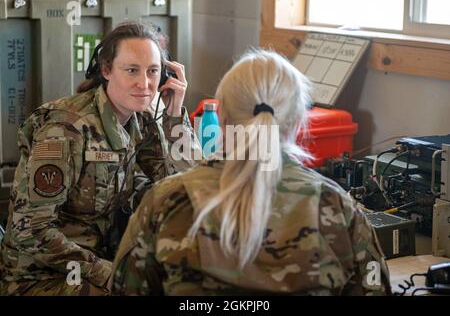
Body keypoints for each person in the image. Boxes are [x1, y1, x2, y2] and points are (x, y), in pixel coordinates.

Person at [111, 49, 391, 296]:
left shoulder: (166, 200)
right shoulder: (336, 206)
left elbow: (126, 288)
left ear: (221, 119)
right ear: (296, 122)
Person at [0, 21, 201, 296]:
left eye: (153, 71)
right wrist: (110, 273)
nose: (145, 84)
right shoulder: (65, 130)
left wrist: (175, 116)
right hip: (41, 277)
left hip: (99, 262)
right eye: (131, 70)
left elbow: (181, 191)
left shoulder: (140, 121)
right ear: (106, 70)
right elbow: (30, 230)